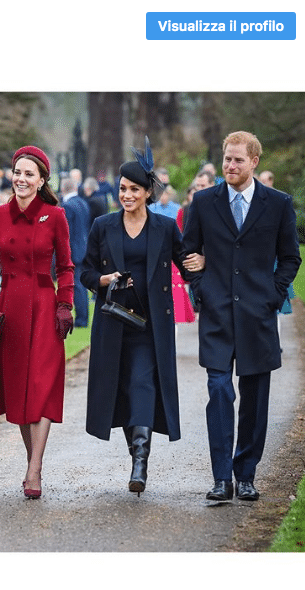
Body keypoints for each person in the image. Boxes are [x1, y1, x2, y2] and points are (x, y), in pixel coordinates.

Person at [183, 131, 301, 501]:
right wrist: (201, 289)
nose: (230, 166)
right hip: (217, 315)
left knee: (254, 400)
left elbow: (291, 256)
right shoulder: (204, 202)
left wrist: (272, 295)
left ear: (254, 162)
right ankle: (222, 478)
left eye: (238, 160)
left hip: (258, 317)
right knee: (219, 390)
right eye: (227, 159)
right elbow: (187, 254)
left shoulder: (278, 204)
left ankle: (246, 474)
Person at [80, 138, 200, 495]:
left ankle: (140, 462)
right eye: (122, 189)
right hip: (113, 321)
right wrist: (104, 280)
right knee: (122, 391)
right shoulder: (103, 225)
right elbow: (85, 271)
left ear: (148, 193)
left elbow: (186, 264)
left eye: (134, 189)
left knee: (143, 384)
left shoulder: (165, 228)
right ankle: (136, 453)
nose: (127, 195)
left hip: (151, 325)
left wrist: (203, 263)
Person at [0, 145, 74, 499]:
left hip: (45, 308)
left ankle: (34, 469)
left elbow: (66, 267)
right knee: (19, 389)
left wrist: (65, 305)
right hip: (11, 309)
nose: (21, 178)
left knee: (41, 386)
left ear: (42, 180)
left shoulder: (55, 216)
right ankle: (33, 461)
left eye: (29, 174)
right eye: (18, 172)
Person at [61, 176, 91, 328]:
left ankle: (81, 319)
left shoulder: (68, 206)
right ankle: (82, 317)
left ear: (63, 188)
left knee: (76, 285)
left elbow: (66, 232)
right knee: (80, 284)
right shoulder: (83, 203)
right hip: (83, 248)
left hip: (72, 250)